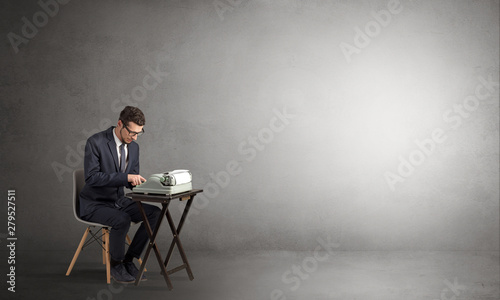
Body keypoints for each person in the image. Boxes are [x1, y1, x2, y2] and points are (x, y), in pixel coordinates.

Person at [79, 106, 161, 283]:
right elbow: (92, 178)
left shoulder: (134, 147)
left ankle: (128, 259)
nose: (135, 137)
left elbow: (130, 180)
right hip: (94, 204)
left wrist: (150, 186)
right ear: (119, 124)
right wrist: (126, 177)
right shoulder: (95, 142)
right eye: (132, 132)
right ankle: (116, 265)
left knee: (155, 214)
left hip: (118, 201)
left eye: (139, 133)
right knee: (121, 219)